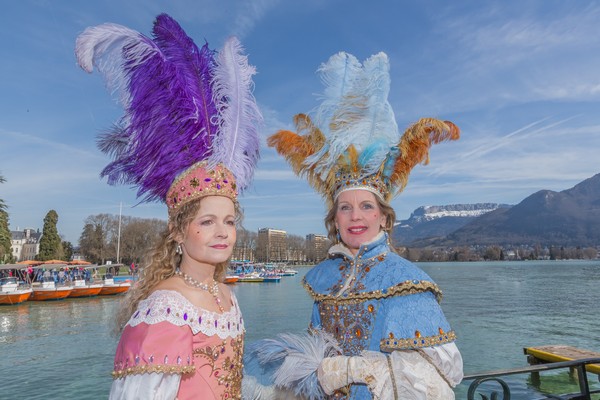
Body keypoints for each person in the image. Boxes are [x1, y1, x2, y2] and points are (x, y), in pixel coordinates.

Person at [246, 51, 463, 399]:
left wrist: (364, 370)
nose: (355, 216)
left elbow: (442, 376)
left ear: (383, 215)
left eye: (366, 206)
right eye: (345, 208)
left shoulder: (406, 282)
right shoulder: (324, 279)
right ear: (334, 219)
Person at [76, 13, 262, 399]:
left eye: (228, 220)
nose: (223, 231)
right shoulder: (165, 307)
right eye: (207, 221)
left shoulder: (226, 296)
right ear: (178, 231)